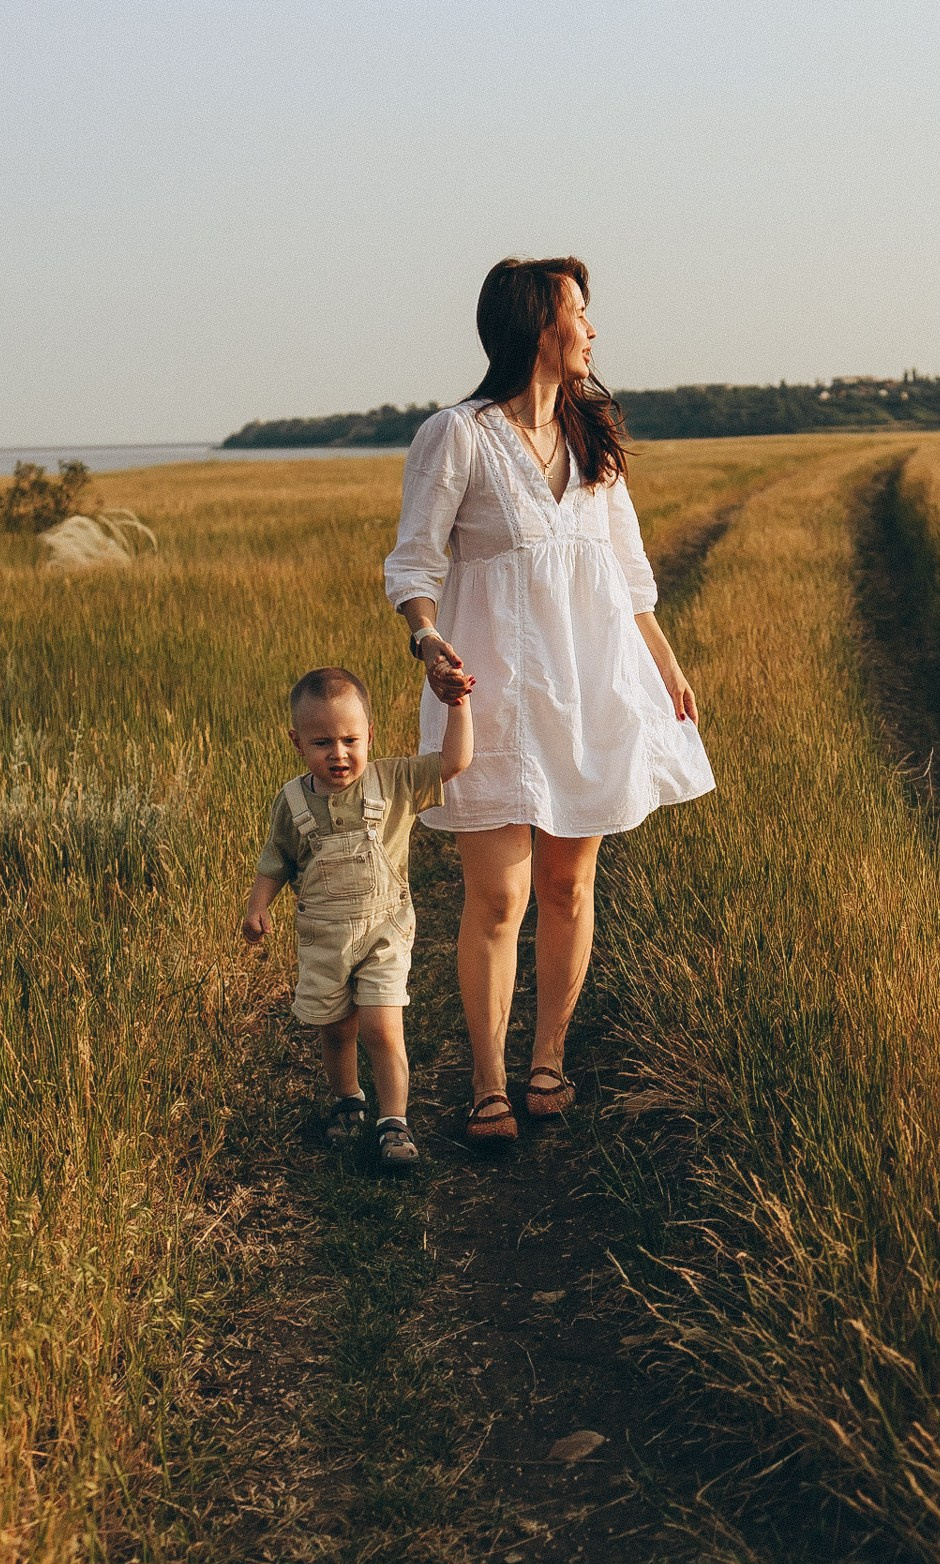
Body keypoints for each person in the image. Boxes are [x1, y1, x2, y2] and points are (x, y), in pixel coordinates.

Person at [383, 256, 714, 1145]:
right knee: (498, 900)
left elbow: (629, 574)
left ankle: (548, 1061)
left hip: (590, 685)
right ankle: (487, 1082)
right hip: (491, 695)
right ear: (540, 326)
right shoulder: (457, 435)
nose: (593, 331)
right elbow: (414, 562)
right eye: (579, 313)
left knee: (569, 885)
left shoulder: (593, 435)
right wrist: (427, 641)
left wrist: (667, 667)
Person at [242, 664, 475, 1166]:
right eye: (322, 742)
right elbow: (276, 860)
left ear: (370, 734)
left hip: (384, 931)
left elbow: (455, 760)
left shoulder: (394, 781)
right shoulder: (291, 801)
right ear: (297, 743)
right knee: (336, 1029)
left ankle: (394, 1122)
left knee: (381, 1026)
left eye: (350, 740)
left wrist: (458, 705)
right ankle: (347, 1099)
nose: (339, 753)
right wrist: (258, 905)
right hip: (323, 938)